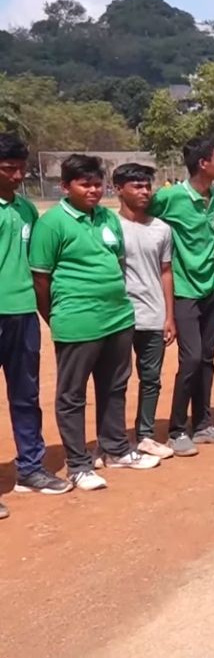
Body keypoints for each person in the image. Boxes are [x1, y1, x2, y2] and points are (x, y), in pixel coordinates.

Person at [30, 154, 159, 492]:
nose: (93, 190)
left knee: (115, 386)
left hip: (117, 318)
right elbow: (41, 279)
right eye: (84, 184)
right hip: (77, 320)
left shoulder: (107, 218)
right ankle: (79, 464)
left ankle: (115, 449)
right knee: (72, 395)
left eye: (97, 184)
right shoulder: (52, 223)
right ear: (65, 186)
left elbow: (117, 263)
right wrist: (56, 316)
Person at [149, 137, 214, 455]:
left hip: (210, 289)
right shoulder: (170, 197)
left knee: (207, 358)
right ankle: (176, 430)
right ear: (203, 164)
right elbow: (140, 215)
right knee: (191, 358)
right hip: (183, 291)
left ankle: (202, 425)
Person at [0, 133, 70, 502]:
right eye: (8, 169)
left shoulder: (26, 209)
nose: (17, 176)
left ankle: (30, 468)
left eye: (21, 168)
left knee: (26, 395)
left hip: (22, 313)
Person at [115, 163, 176, 459]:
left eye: (147, 186)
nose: (144, 191)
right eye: (137, 186)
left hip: (153, 314)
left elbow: (166, 272)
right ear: (119, 189)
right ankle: (112, 439)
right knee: (116, 381)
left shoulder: (161, 229)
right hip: (119, 316)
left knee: (151, 379)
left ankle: (145, 435)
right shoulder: (109, 226)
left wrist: (169, 316)